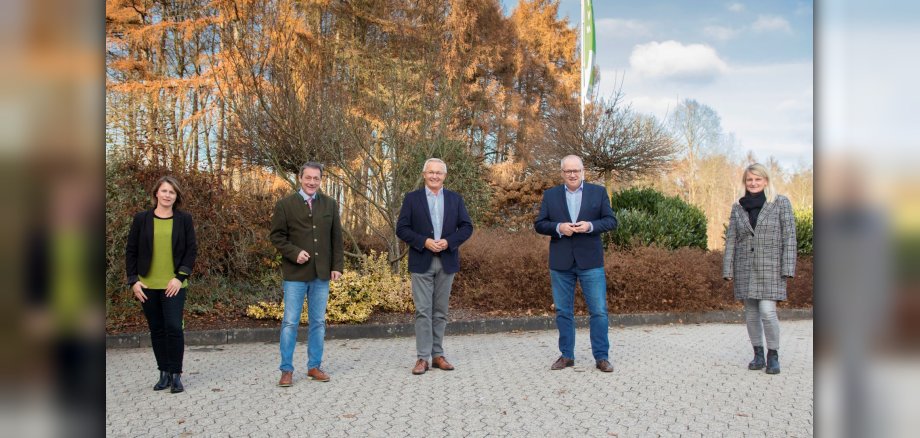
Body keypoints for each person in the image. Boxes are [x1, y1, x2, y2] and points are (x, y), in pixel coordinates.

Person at [534, 155, 618, 373]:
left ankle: (601, 357)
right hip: (561, 262)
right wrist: (558, 228)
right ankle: (566, 355)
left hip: (590, 261)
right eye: (568, 171)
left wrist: (589, 225)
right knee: (563, 311)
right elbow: (540, 224)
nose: (572, 174)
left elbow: (611, 221)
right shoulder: (551, 195)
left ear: (583, 172)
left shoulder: (598, 192)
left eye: (576, 171)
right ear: (562, 173)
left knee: (599, 311)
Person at [396, 158, 474, 375]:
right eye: (431, 172)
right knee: (423, 311)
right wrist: (424, 241)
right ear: (424, 175)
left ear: (444, 176)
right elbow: (401, 229)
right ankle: (422, 358)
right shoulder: (412, 199)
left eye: (439, 173)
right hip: (422, 260)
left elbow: (467, 227)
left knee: (440, 311)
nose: (435, 176)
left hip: (446, 260)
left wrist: (449, 241)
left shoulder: (455, 199)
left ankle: (438, 355)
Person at [270, 162, 344, 386]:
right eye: (308, 178)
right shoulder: (285, 205)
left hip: (321, 275)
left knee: (318, 322)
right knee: (290, 322)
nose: (312, 182)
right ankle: (286, 370)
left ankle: (314, 366)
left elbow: (336, 239)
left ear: (321, 180)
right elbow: (277, 237)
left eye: (316, 178)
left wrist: (337, 266)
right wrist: (294, 253)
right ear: (300, 178)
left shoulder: (330, 205)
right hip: (295, 274)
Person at [722, 163, 796, 375]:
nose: (753, 183)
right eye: (749, 180)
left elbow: (790, 236)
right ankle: (758, 354)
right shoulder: (738, 207)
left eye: (757, 179)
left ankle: (773, 354)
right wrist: (727, 269)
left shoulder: (780, 203)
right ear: (745, 182)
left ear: (766, 181)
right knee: (751, 314)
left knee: (767, 311)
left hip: (771, 267)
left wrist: (788, 266)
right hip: (745, 266)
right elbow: (732, 239)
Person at [125, 176, 197, 393]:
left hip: (173, 284)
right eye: (164, 191)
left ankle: (176, 375)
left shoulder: (184, 219)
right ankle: (163, 373)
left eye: (172, 192)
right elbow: (131, 251)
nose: (167, 195)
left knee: (174, 328)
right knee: (157, 329)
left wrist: (179, 277)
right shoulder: (142, 219)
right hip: (147, 285)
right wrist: (133, 281)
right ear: (156, 193)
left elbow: (191, 251)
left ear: (176, 197)